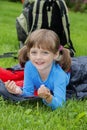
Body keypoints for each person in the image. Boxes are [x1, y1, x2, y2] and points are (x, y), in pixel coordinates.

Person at [0, 29, 71, 110]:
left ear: (55, 54)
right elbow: (28, 92)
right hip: (40, 71)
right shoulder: (29, 65)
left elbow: (60, 105)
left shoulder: (59, 75)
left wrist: (48, 97)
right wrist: (17, 91)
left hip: (64, 75)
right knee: (14, 76)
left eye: (45, 53)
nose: (38, 57)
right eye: (34, 52)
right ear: (28, 54)